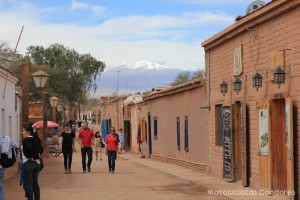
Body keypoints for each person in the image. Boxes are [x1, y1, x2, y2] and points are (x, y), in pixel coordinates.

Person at [21, 125, 43, 200]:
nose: (22, 132)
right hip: (37, 164)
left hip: (28, 164)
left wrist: (32, 156)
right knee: (35, 184)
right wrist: (36, 157)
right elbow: (41, 150)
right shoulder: (36, 139)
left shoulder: (26, 140)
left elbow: (30, 148)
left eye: (24, 131)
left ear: (28, 132)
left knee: (28, 184)